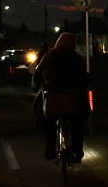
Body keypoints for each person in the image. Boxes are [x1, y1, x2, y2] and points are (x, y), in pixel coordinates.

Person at [33, 31, 89, 161]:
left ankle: (50, 149)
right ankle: (78, 150)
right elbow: (84, 78)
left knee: (47, 121)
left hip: (53, 98)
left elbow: (38, 71)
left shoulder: (50, 56)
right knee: (78, 123)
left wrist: (37, 84)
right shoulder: (77, 58)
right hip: (73, 100)